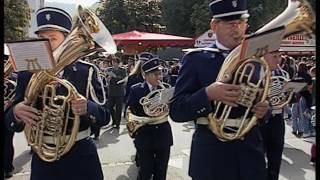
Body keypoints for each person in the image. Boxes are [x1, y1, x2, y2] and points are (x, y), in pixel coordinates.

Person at [169, 0, 270, 179]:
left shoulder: (255, 61)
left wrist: (264, 110)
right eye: (231, 24)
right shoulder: (196, 59)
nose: (237, 29)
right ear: (214, 26)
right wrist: (207, 94)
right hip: (212, 157)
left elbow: (262, 102)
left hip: (251, 154)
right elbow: (177, 111)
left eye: (241, 23)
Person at [4, 7, 106, 180]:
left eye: (53, 38)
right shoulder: (27, 72)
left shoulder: (87, 71)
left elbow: (105, 117)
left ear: (67, 40)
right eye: (42, 38)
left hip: (81, 157)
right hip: (43, 161)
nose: (47, 43)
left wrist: (88, 107)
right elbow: (10, 121)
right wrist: (16, 113)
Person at [126, 58, 173, 180]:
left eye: (160, 74)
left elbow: (173, 110)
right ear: (145, 76)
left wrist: (167, 105)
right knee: (145, 171)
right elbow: (130, 109)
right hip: (144, 135)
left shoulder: (166, 89)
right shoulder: (136, 89)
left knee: (161, 172)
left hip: (163, 134)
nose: (159, 77)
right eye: (155, 74)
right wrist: (149, 110)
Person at [259, 50, 288, 180]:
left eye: (279, 56)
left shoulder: (283, 74)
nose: (278, 59)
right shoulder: (257, 73)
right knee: (258, 158)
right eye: (274, 56)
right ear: (263, 56)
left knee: (275, 157)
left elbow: (286, 98)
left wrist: (290, 92)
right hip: (260, 121)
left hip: (277, 119)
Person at [3, 44, 17, 179]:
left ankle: (7, 167)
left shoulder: (13, 80)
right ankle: (7, 168)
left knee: (7, 142)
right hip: (8, 113)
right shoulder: (14, 79)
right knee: (8, 141)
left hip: (8, 114)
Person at [107, 56, 127, 129]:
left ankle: (117, 124)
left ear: (118, 63)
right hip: (111, 91)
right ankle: (114, 120)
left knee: (119, 109)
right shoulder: (109, 69)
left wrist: (115, 76)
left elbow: (124, 79)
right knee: (109, 107)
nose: (113, 64)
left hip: (119, 92)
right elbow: (106, 78)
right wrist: (108, 79)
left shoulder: (123, 70)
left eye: (115, 62)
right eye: (112, 62)